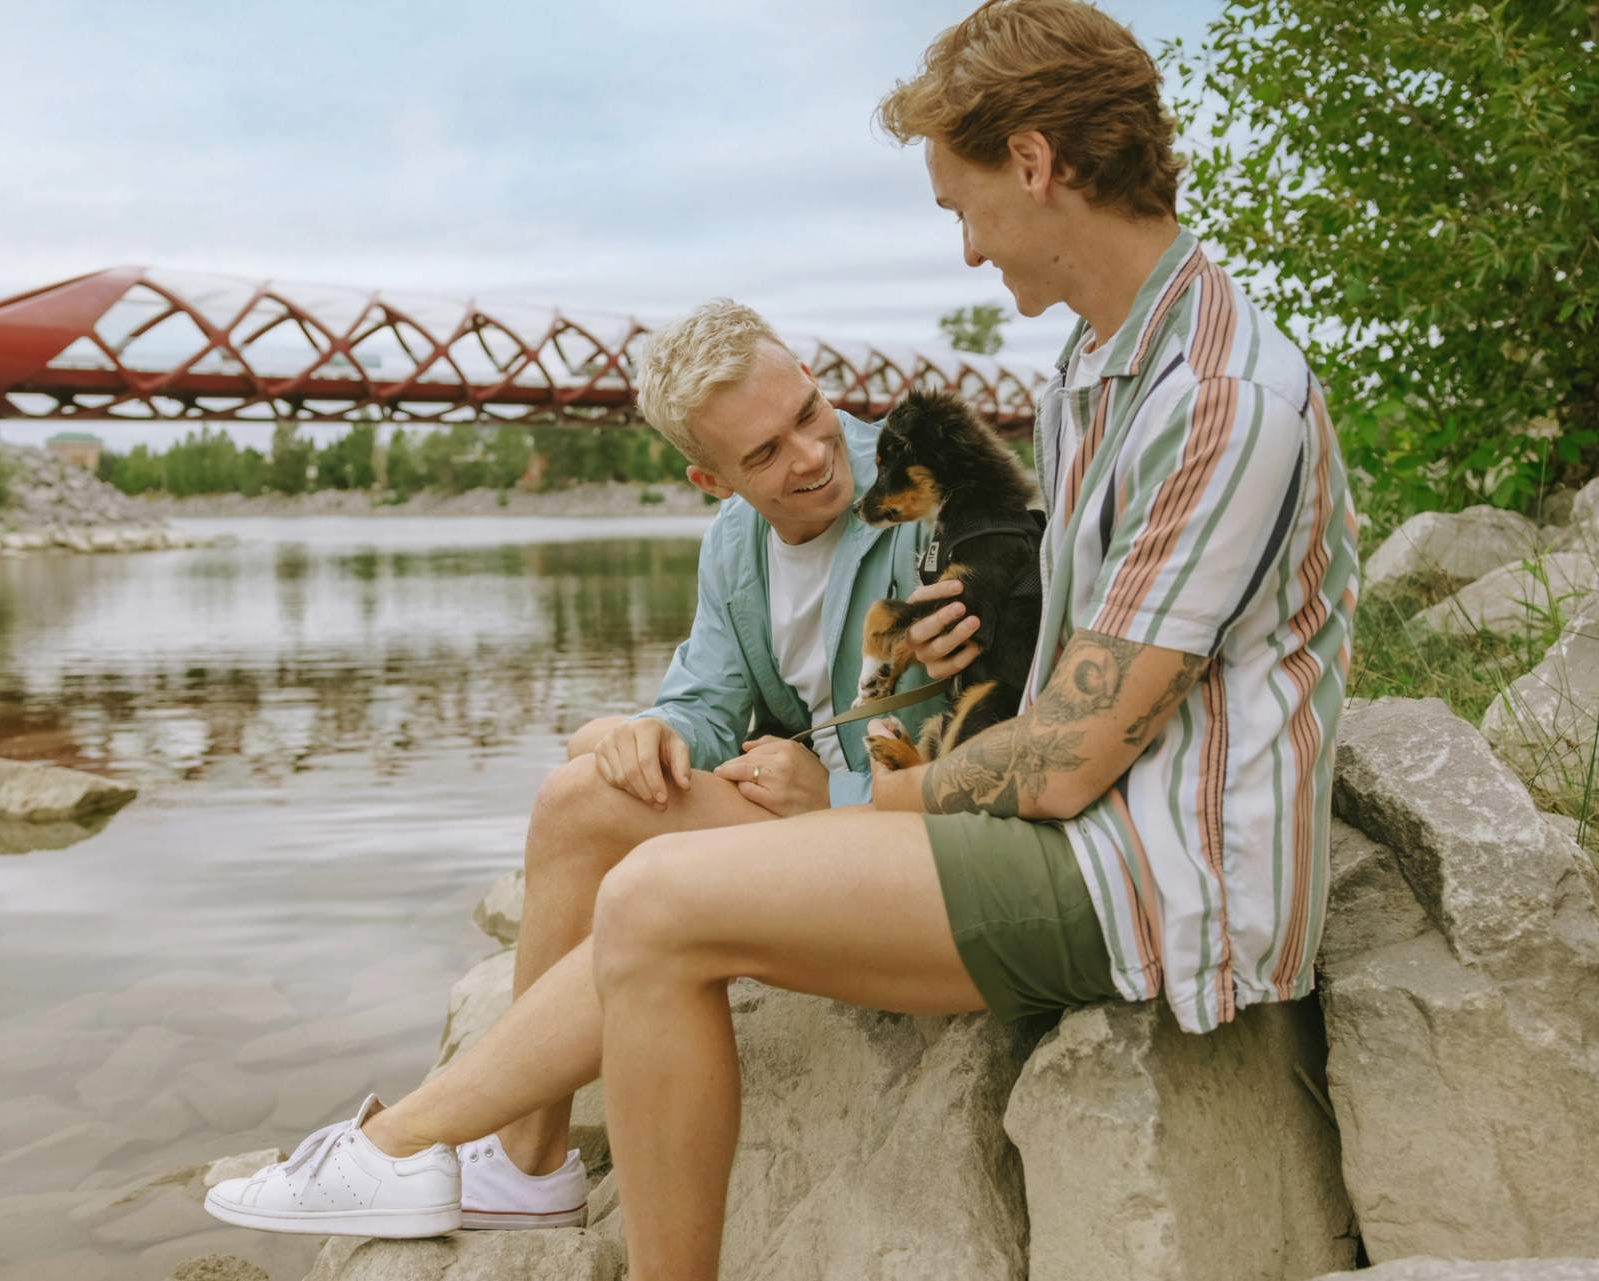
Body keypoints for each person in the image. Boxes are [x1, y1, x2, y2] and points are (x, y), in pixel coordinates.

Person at [207, 2, 1360, 1276]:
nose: (970, 250)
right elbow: (1040, 706)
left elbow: (1073, 755)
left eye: (960, 206)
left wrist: (868, 806)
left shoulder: (1215, 396)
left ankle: (398, 1146)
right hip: (1062, 830)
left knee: (655, 903)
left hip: (1152, 880)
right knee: (602, 833)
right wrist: (725, 760)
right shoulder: (1101, 371)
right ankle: (485, 1163)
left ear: (1035, 163)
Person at [201, 300, 963, 1237]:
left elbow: (988, 744)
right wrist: (647, 732)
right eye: (763, 453)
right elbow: (707, 704)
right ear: (710, 478)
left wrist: (834, 791)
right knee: (580, 795)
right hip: (815, 830)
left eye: (808, 412)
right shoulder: (736, 543)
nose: (811, 454)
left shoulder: (932, 495)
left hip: (913, 848)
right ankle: (527, 1163)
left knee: (624, 851)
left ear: (810, 378)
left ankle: (410, 1142)